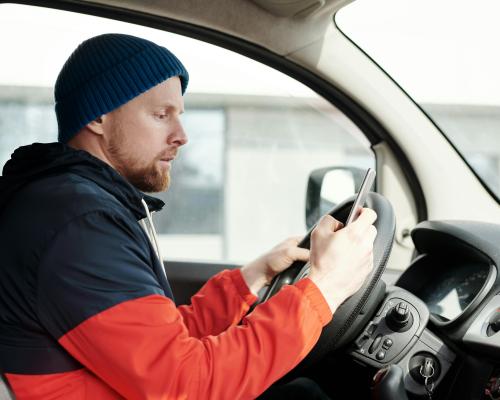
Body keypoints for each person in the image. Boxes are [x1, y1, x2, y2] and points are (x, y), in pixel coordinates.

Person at [0, 33, 377, 399]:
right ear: (99, 117)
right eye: (161, 115)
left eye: (179, 115)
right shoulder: (78, 224)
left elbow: (160, 343)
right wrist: (326, 287)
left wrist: (253, 276)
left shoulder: (76, 205)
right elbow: (187, 385)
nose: (182, 135)